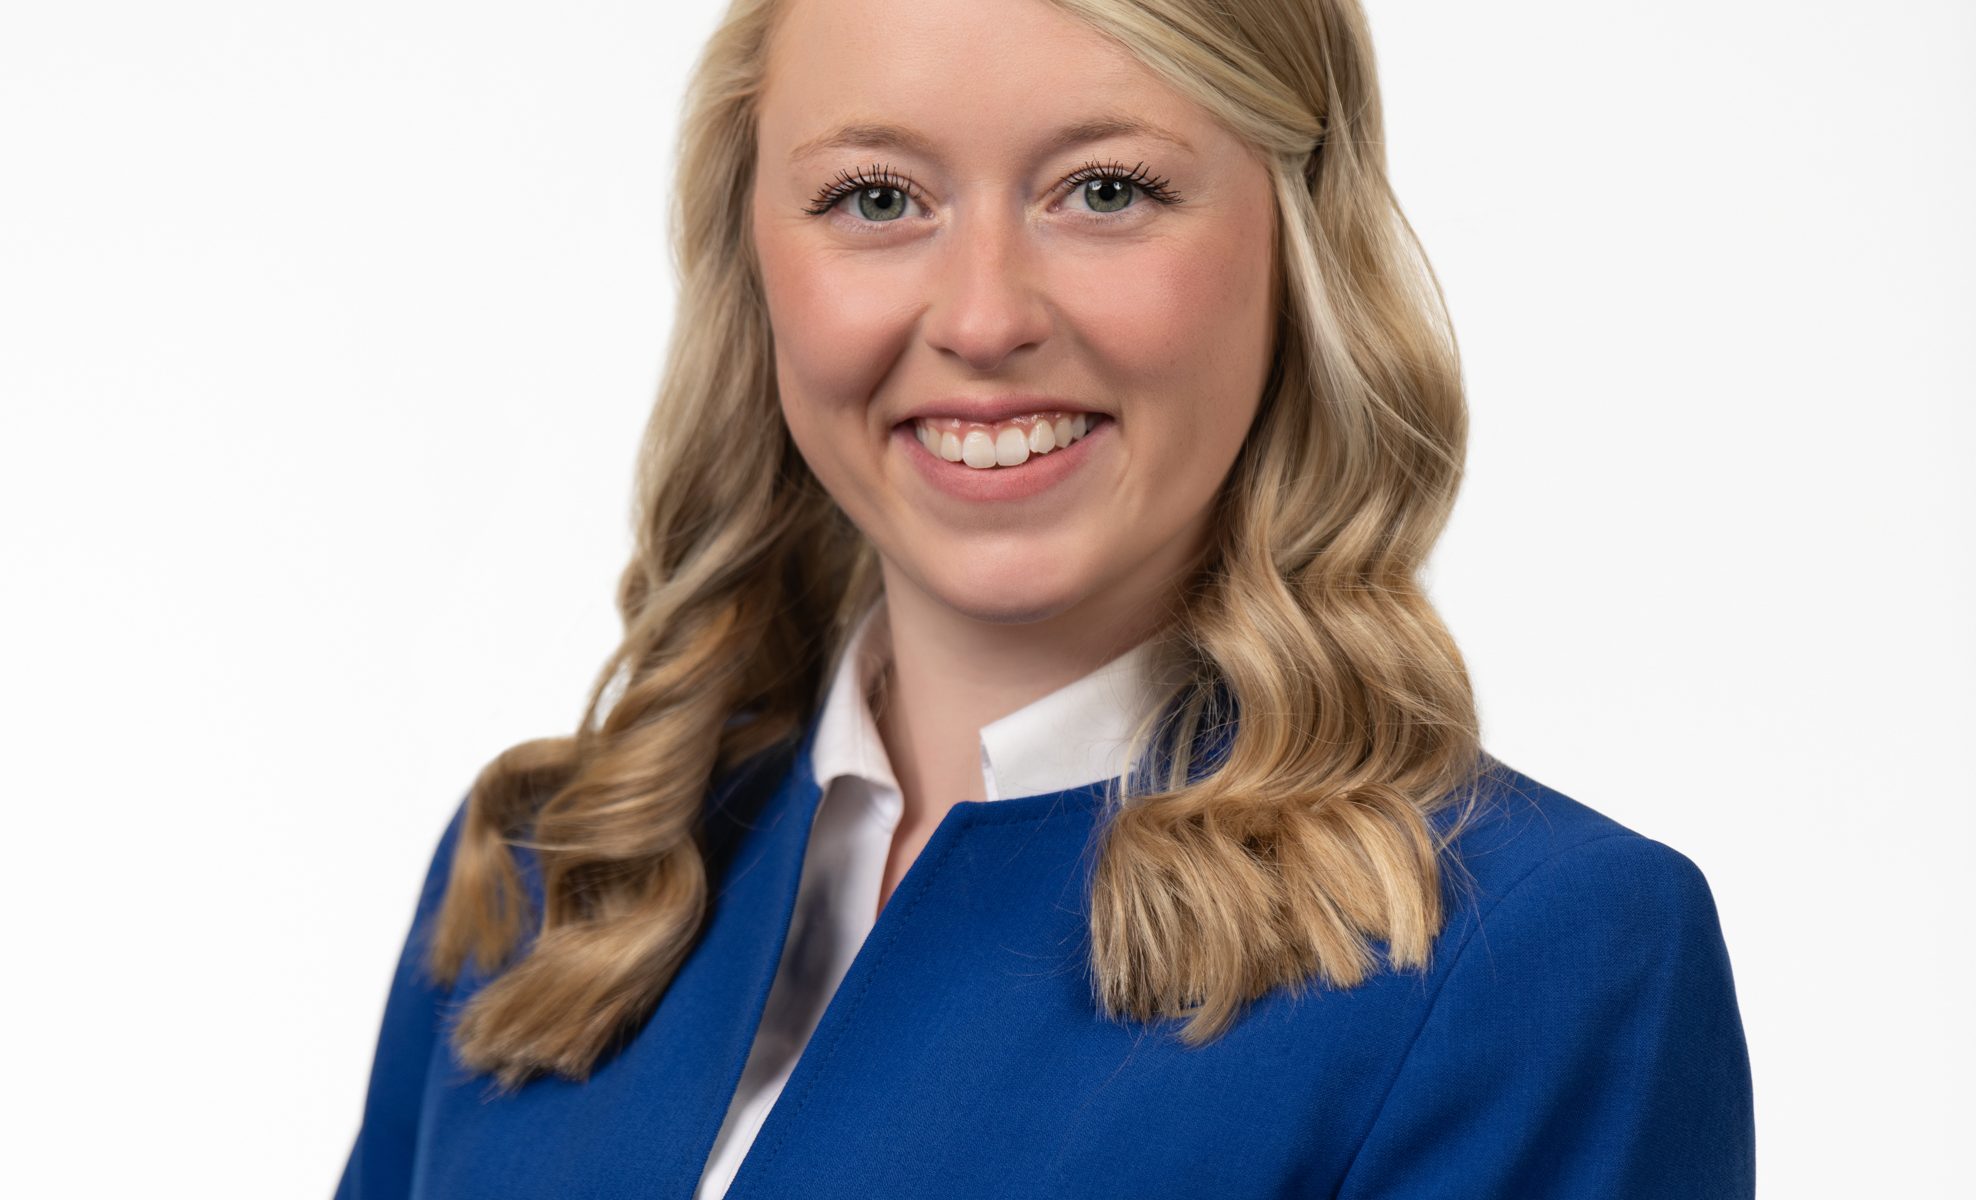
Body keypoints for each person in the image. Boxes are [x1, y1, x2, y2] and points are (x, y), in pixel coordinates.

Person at [335, 0, 1756, 1195]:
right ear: (755, 258)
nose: (984, 316)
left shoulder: (1533, 964)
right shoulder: (544, 882)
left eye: (1108, 190)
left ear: (1294, 248)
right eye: (877, 198)